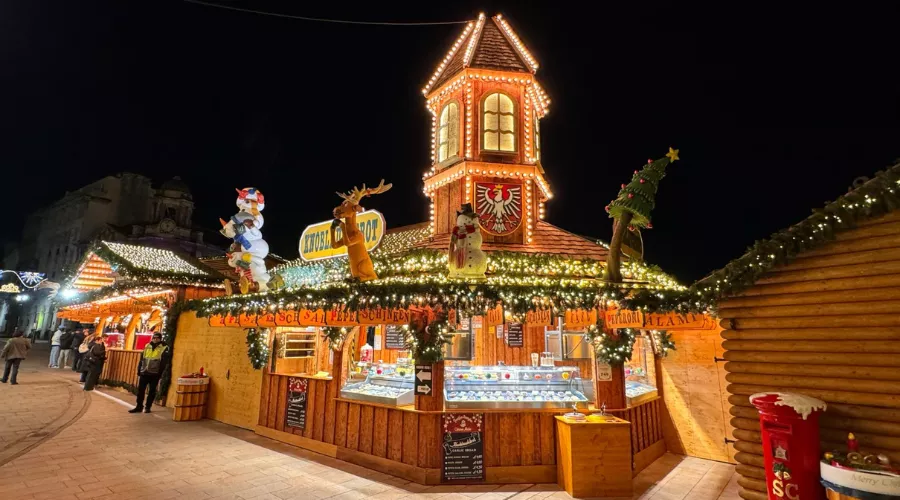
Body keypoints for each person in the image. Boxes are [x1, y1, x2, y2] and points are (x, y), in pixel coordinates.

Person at [129, 332, 169, 414]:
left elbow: (164, 362)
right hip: (144, 372)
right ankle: (139, 406)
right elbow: (142, 359)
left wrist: (160, 373)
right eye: (154, 338)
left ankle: (148, 407)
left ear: (160, 339)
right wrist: (139, 370)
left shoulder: (164, 347)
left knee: (152, 391)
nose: (155, 339)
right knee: (140, 390)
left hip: (155, 373)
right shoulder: (147, 346)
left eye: (157, 338)